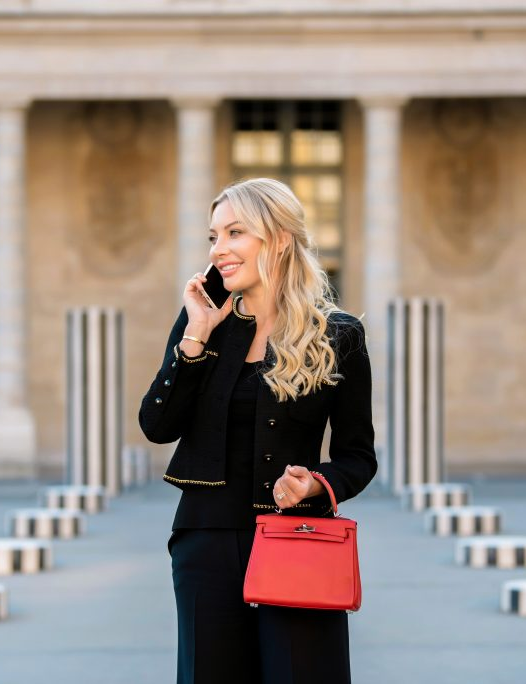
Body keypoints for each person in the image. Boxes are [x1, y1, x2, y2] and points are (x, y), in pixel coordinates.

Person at [138, 178, 377, 684]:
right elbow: (157, 426)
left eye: (235, 233)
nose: (218, 249)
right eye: (213, 237)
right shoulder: (202, 322)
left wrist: (316, 483)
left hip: (299, 542)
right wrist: (193, 342)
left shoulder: (338, 335)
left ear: (279, 238)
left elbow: (359, 456)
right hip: (206, 540)